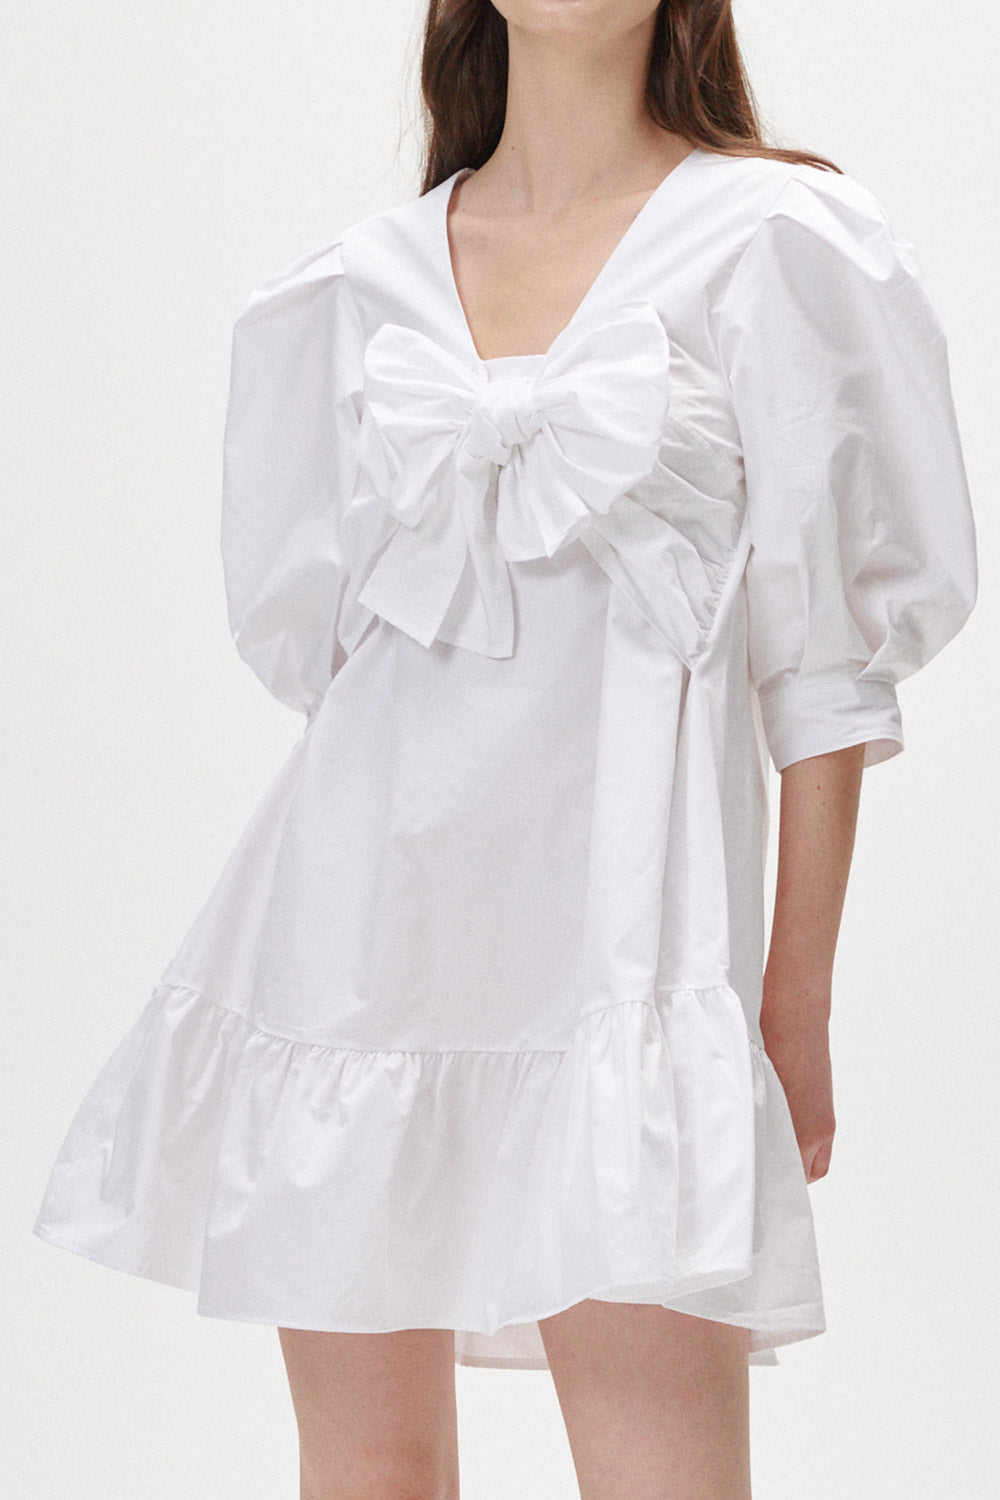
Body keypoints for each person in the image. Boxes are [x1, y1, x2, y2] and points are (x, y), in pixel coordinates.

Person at [33, 2, 978, 1497]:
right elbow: (334, 674)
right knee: (368, 1472)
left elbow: (827, 676)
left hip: (629, 977)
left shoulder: (778, 243)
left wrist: (792, 1005)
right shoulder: (353, 290)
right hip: (347, 970)